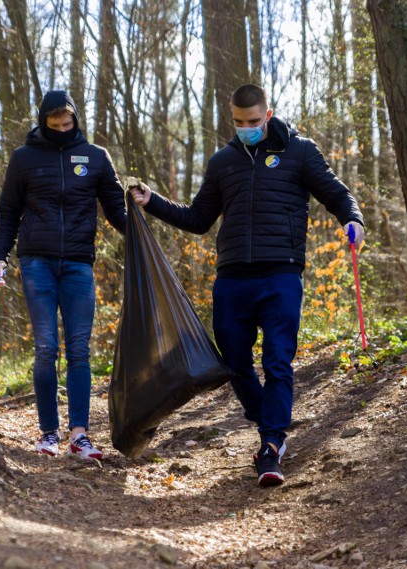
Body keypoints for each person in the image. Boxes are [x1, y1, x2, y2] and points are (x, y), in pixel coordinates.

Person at [130, 84, 364, 487]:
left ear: (268, 114)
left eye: (254, 122)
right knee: (234, 364)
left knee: (277, 361)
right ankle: (269, 420)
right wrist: (153, 201)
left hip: (281, 275)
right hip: (233, 279)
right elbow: (199, 218)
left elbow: (336, 193)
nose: (247, 129)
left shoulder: (300, 152)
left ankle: (271, 443)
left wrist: (353, 219)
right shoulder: (223, 162)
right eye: (239, 123)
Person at [0, 90, 126, 460]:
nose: (63, 129)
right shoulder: (24, 159)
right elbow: (7, 213)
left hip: (79, 263)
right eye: (55, 124)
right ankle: (48, 433)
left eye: (68, 123)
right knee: (46, 348)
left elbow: (117, 212)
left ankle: (79, 435)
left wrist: (143, 231)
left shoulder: (96, 157)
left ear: (75, 119)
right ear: (43, 122)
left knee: (79, 350)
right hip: (37, 263)